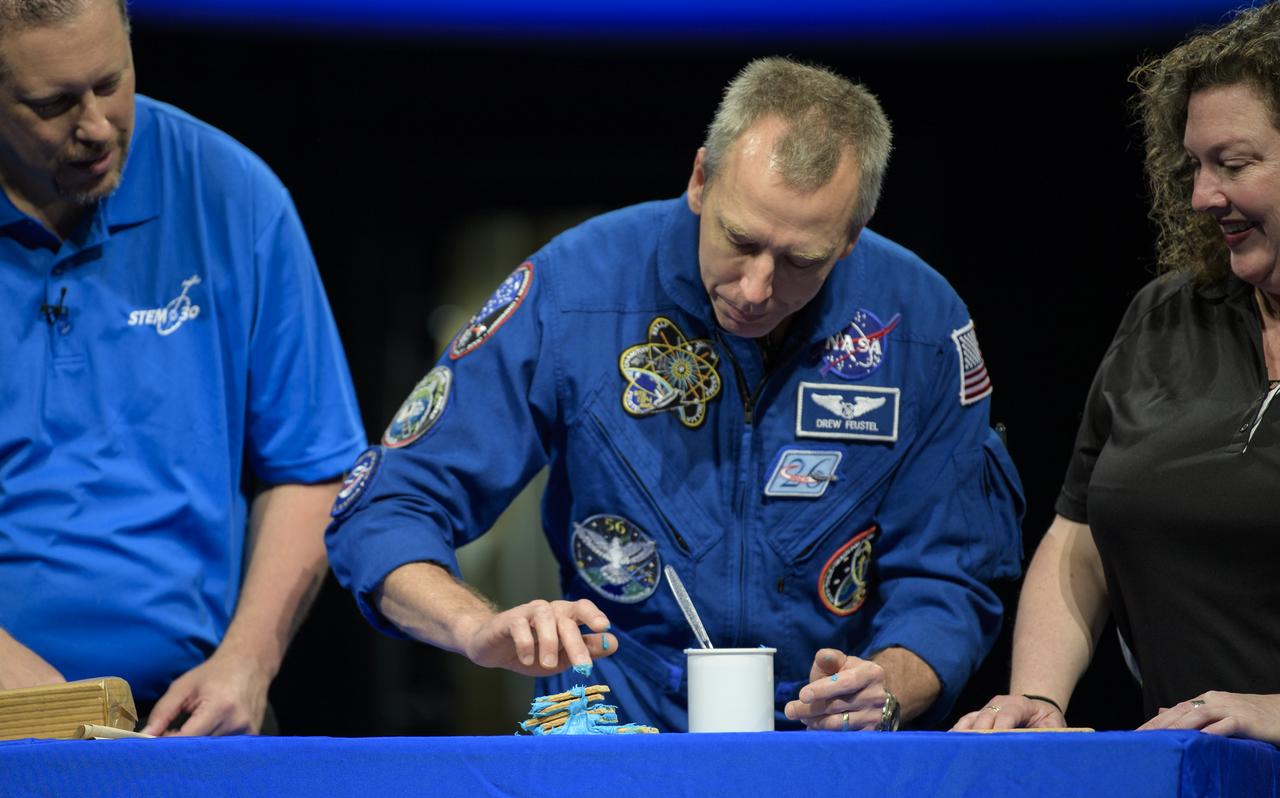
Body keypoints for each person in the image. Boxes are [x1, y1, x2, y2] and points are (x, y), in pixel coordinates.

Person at [327, 56, 1023, 733]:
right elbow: (385, 506)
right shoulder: (575, 293)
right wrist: (474, 627)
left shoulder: (923, 327)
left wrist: (890, 687)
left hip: (831, 750)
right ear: (699, 180)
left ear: (851, 238)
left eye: (799, 262)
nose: (756, 288)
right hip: (609, 740)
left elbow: (954, 574)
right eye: (739, 239)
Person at [0, 0, 366, 736]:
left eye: (112, 81)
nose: (97, 125)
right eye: (53, 103)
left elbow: (314, 466)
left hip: (178, 724)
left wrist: (250, 661)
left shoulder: (233, 194)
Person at [953, 3, 1280, 745]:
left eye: (1232, 164)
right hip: (1199, 779)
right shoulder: (1167, 317)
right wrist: (1038, 695)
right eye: (1194, 165)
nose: (1202, 196)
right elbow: (1081, 533)